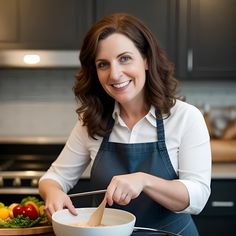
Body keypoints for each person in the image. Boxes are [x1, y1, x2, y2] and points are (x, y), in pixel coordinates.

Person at [39, 13, 211, 235]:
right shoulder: (91, 121)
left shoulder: (185, 117)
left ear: (147, 60)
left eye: (125, 58)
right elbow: (53, 178)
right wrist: (53, 192)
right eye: (103, 64)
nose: (115, 74)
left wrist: (145, 181)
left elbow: (197, 197)